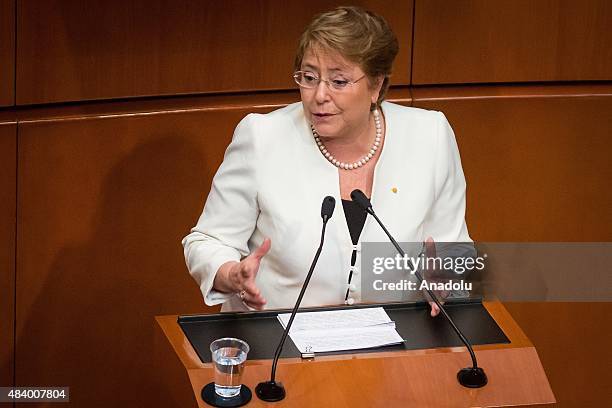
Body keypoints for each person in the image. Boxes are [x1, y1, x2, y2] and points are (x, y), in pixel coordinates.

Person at [182, 6, 471, 314]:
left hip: (393, 344)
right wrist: (230, 274)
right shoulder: (262, 136)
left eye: (338, 81)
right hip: (279, 343)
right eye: (309, 77)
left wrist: (447, 278)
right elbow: (206, 242)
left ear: (376, 85)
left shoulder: (430, 135)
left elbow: (454, 249)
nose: (319, 95)